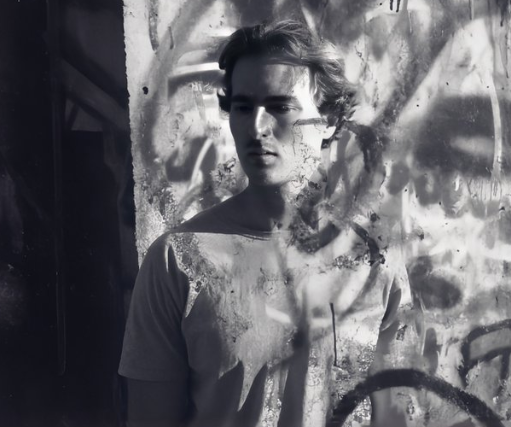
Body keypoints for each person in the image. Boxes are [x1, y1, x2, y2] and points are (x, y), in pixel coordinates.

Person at [119, 19, 404, 427]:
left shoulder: (373, 258)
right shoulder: (178, 260)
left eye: (280, 106)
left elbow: (392, 413)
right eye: (242, 107)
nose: (256, 127)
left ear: (328, 119)